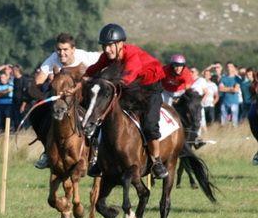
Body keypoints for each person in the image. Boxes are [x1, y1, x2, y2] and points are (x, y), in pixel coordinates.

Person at [81, 23, 169, 179]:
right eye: (104, 46)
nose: (106, 50)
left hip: (150, 90)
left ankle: (156, 161)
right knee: (104, 116)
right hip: (130, 88)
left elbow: (126, 79)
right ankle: (98, 160)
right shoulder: (106, 57)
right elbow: (92, 70)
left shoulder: (132, 56)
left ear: (120, 44)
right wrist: (81, 80)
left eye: (110, 46)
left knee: (149, 125)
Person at [31, 33, 100, 169]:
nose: (61, 53)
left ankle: (96, 152)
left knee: (99, 114)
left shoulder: (85, 57)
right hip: (61, 101)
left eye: (65, 50)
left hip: (84, 98)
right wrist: (46, 97)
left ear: (73, 49)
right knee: (36, 113)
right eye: (59, 50)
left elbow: (104, 55)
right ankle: (47, 151)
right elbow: (37, 82)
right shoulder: (52, 59)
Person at [219, 62, 241, 126]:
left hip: (234, 101)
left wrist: (225, 88)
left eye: (231, 66)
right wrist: (231, 88)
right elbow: (220, 89)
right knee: (223, 121)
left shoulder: (237, 78)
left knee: (234, 121)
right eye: (228, 67)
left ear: (234, 68)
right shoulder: (223, 78)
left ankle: (234, 133)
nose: (229, 68)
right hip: (224, 101)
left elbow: (236, 90)